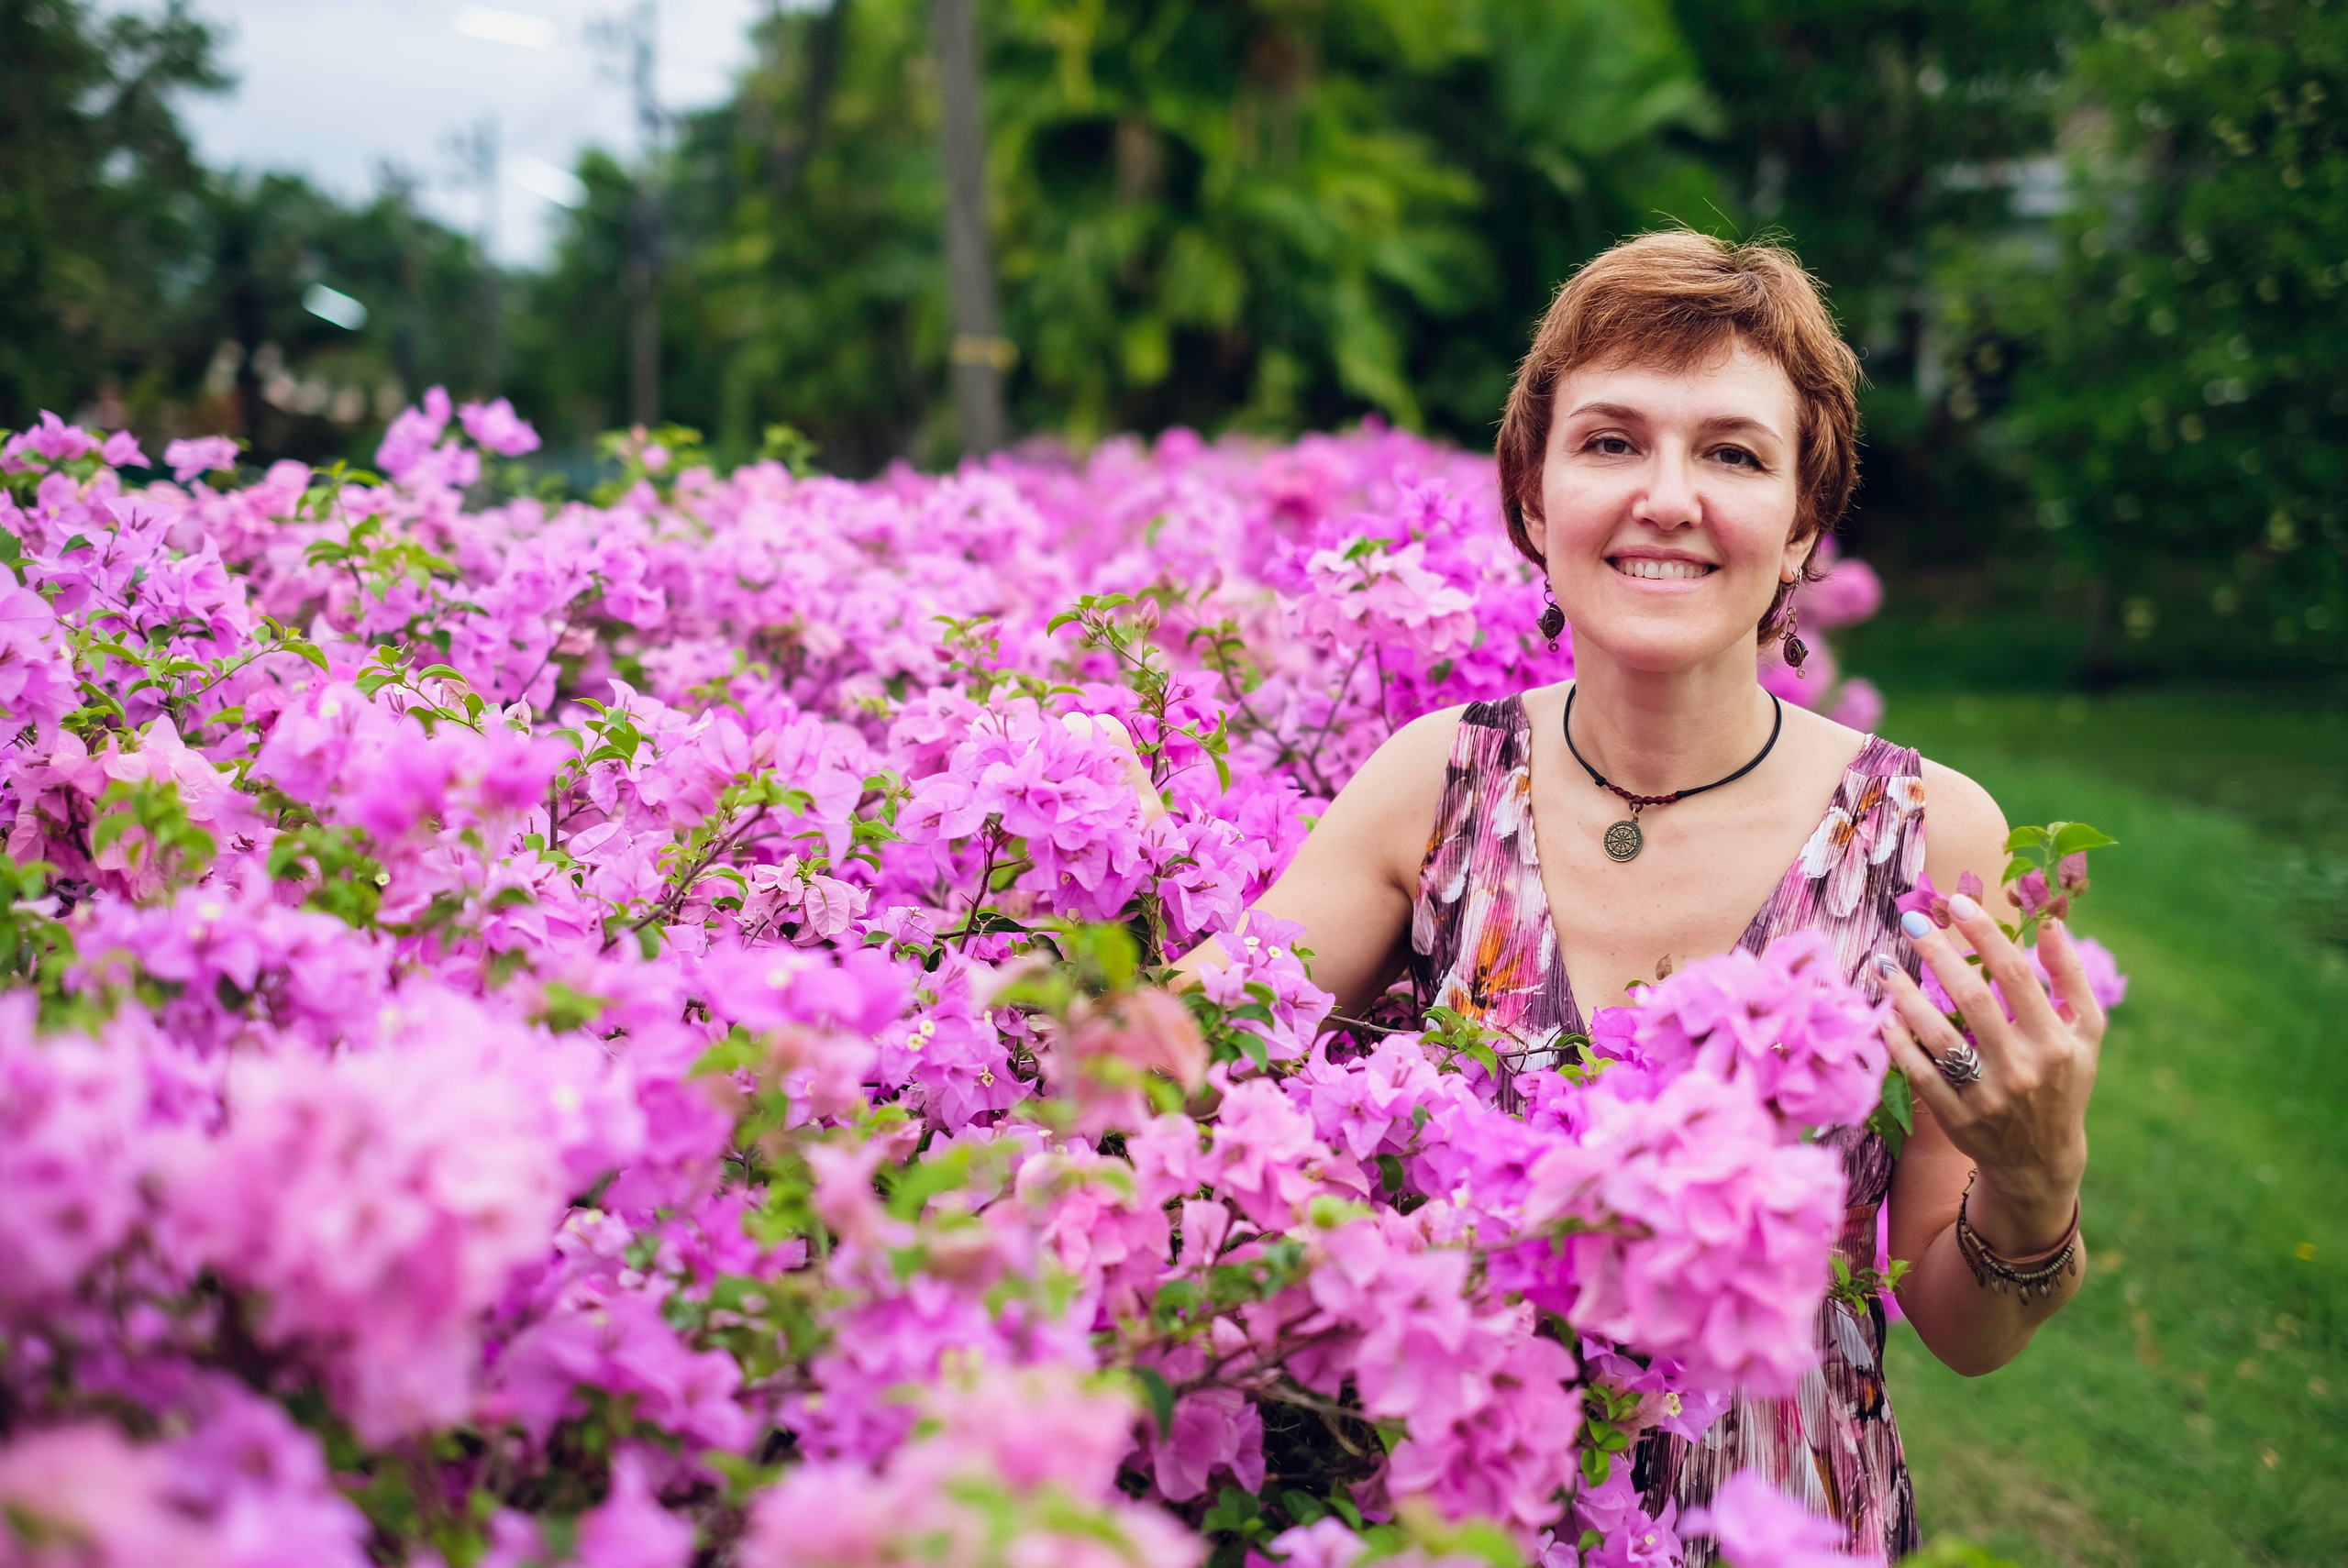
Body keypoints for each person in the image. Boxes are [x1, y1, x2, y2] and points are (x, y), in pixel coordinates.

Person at [1211, 231, 2103, 1561]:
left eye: (1733, 454)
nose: (1667, 497)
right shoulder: (1433, 785)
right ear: (1533, 494)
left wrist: (2039, 1185)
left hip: (1792, 1517)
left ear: (1803, 518)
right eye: (1612, 441)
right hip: (1473, 1521)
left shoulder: (1926, 836)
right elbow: (1200, 1043)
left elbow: (1964, 1329)